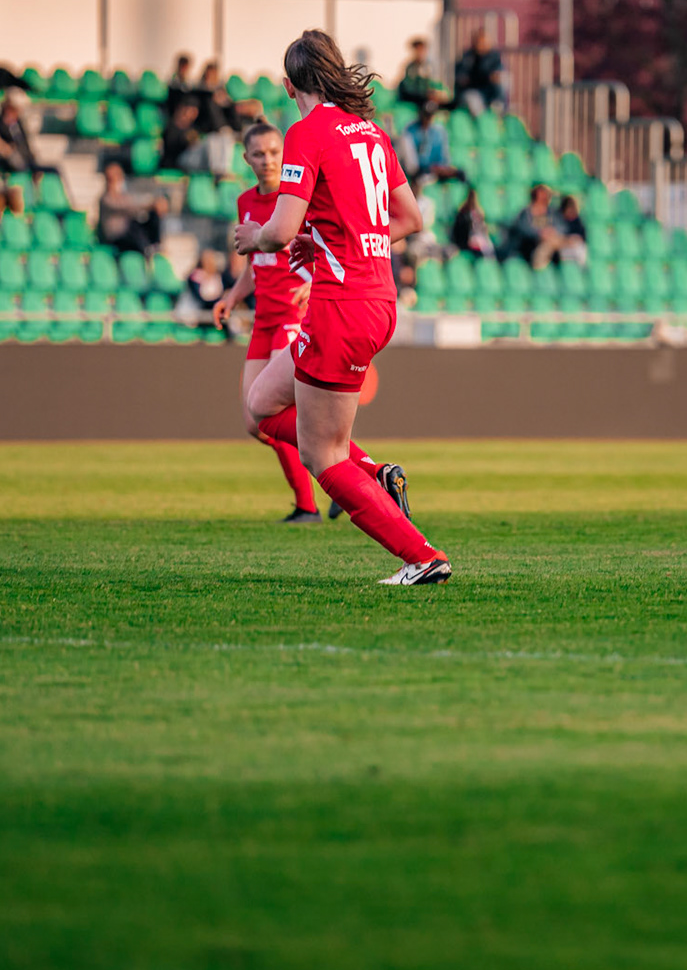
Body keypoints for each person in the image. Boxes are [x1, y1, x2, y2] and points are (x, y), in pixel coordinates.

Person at [232, 28, 450, 584]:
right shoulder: (372, 134)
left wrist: (255, 236)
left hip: (340, 306)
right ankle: (376, 472)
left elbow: (280, 233)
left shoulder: (307, 132)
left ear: (288, 85)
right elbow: (410, 219)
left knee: (322, 457)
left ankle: (423, 558)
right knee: (260, 406)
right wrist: (329, 242)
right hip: (376, 296)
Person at [212, 123, 327, 524]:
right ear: (246, 159)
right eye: (259, 154)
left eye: (275, 152)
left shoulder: (295, 198)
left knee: (274, 412)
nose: (268, 160)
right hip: (263, 319)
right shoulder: (245, 201)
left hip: (293, 317)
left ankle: (310, 502)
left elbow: (327, 248)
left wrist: (313, 285)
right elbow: (255, 265)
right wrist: (231, 297)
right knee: (253, 422)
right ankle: (346, 467)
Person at [97, 162, 168, 255]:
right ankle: (146, 249)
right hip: (117, 236)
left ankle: (155, 245)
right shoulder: (106, 199)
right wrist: (151, 204)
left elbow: (134, 204)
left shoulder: (123, 196)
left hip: (128, 232)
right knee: (133, 228)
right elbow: (128, 206)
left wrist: (155, 204)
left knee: (151, 216)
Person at [507, 184, 566, 269]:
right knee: (548, 245)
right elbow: (523, 229)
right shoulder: (526, 213)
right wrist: (540, 234)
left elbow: (561, 227)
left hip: (552, 243)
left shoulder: (552, 213)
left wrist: (551, 232)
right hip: (532, 246)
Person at [397, 101, 455, 180]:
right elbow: (410, 163)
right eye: (426, 115)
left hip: (433, 172)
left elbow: (443, 159)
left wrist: (439, 168)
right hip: (414, 172)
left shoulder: (439, 132)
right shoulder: (411, 129)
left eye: (430, 115)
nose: (427, 118)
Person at [454, 30, 506, 115]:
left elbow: (498, 74)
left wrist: (493, 77)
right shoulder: (468, 57)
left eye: (484, 42)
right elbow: (462, 77)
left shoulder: (495, 57)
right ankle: (479, 121)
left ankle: (500, 110)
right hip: (473, 91)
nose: (482, 45)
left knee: (504, 80)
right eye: (480, 42)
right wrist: (483, 77)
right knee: (472, 99)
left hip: (489, 91)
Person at [396, 37, 447, 108]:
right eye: (418, 50)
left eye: (422, 50)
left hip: (426, 97)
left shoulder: (429, 66)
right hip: (415, 97)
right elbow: (409, 87)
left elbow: (434, 84)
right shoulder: (410, 67)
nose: (420, 53)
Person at [160, 100, 205, 173]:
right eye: (191, 111)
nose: (193, 114)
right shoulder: (169, 125)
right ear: (182, 108)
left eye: (195, 112)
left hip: (190, 163)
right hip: (173, 163)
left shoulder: (193, 128)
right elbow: (170, 144)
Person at [449, 189, 495, 259]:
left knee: (487, 245)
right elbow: (459, 232)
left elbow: (482, 229)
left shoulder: (479, 213)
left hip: (477, 239)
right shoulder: (463, 214)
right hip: (465, 241)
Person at [554, 194, 588, 266]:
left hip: (574, 248)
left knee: (581, 250)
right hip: (561, 248)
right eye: (569, 208)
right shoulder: (558, 219)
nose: (571, 211)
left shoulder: (578, 221)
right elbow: (557, 237)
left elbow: (582, 237)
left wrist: (575, 240)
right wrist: (567, 240)